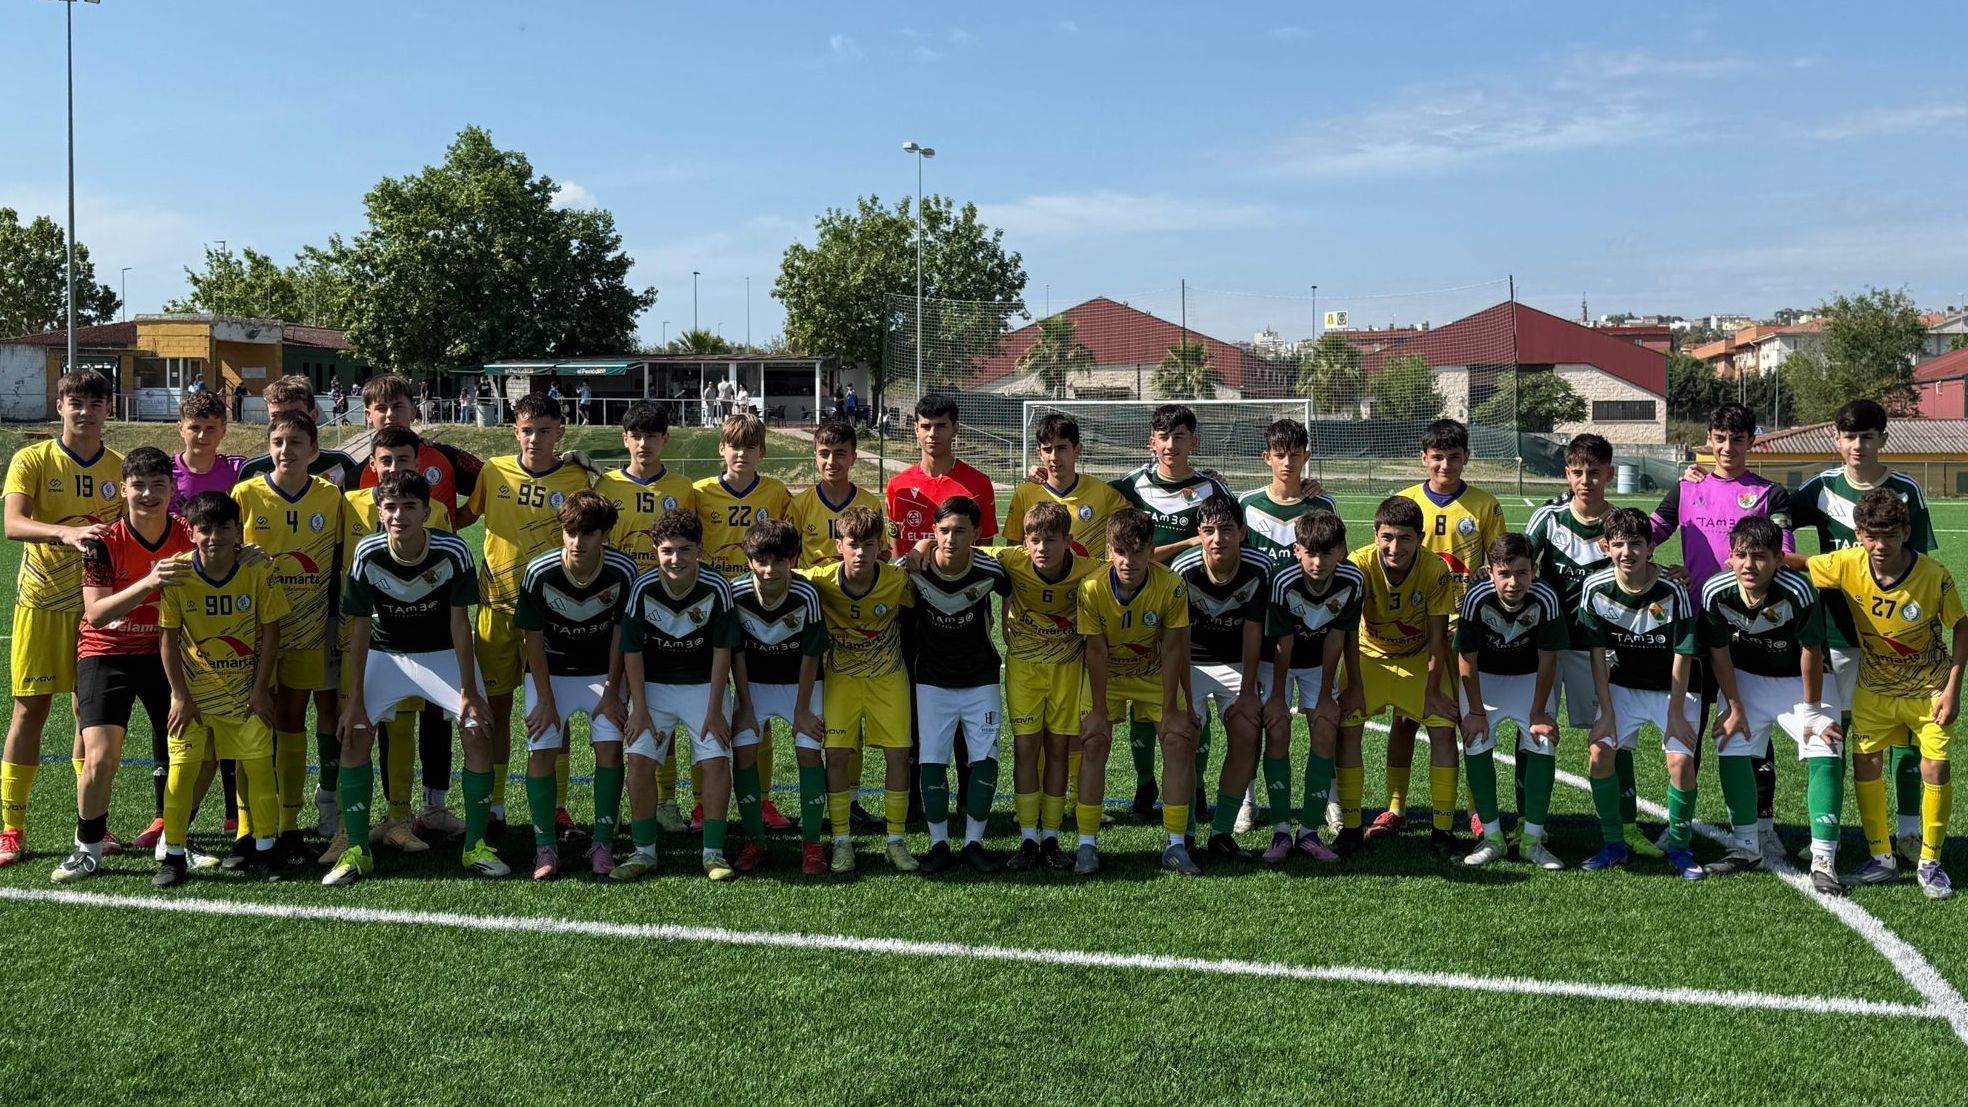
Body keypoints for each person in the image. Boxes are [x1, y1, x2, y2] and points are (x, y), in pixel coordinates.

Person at [325, 471, 497, 885]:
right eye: (390, 507)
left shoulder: (453, 551)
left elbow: (461, 624)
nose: (399, 515)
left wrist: (469, 692)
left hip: (441, 653)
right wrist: (354, 700)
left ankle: (476, 846)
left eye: (409, 506)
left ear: (426, 511)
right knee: (354, 734)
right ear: (379, 512)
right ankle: (357, 850)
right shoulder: (367, 553)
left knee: (476, 730)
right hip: (388, 654)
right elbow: (361, 628)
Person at [1786, 398, 1938, 864]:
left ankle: (1908, 832)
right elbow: (1775, 522)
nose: (1857, 446)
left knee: (1908, 735)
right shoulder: (1821, 488)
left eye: (1867, 437)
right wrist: (1810, 566)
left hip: (1899, 640)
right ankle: (1842, 837)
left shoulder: (1906, 490)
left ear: (1882, 440)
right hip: (1838, 634)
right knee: (1844, 733)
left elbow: (1925, 565)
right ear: (1837, 439)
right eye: (1849, 437)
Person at [1797, 489, 1964, 899]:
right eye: (1871, 535)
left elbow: (1962, 626)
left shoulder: (1934, 575)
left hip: (1928, 691)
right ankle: (1882, 858)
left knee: (1934, 769)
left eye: (1889, 535)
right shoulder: (1847, 562)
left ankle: (1930, 861)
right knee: (1866, 764)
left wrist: (1954, 688)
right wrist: (1746, 558)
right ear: (1859, 534)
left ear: (1905, 532)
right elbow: (1802, 563)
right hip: (1873, 689)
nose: (1880, 545)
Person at [1652, 401, 1794, 864]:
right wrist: (1650, 567)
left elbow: (1786, 555)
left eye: (1738, 439)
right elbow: (1647, 533)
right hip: (1694, 626)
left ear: (1752, 441)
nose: (1728, 447)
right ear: (1707, 440)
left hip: (1749, 627)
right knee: (1688, 726)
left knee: (1750, 725)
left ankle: (1763, 827)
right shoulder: (1686, 488)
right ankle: (1677, 826)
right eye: (1720, 438)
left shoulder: (1771, 493)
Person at [1, 369, 123, 867]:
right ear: (60, 405)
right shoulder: (32, 458)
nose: (85, 410)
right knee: (30, 711)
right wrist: (65, 534)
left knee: (87, 714)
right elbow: (11, 523)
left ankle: (90, 823)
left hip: (94, 608)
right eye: (76, 400)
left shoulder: (119, 465)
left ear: (108, 410)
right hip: (42, 604)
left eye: (95, 402)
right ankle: (10, 825)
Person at [61, 448, 198, 879]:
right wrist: (152, 580)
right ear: (123, 489)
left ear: (173, 489)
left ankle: (174, 840)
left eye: (159, 485)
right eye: (139, 485)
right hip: (106, 652)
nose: (149, 494)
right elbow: (97, 613)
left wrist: (248, 555)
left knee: (186, 748)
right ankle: (88, 846)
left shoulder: (189, 533)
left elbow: (224, 561)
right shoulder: (101, 543)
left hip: (166, 653)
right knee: (101, 755)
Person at [465, 392, 594, 841]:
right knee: (495, 711)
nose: (534, 439)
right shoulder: (493, 470)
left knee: (551, 710)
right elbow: (461, 515)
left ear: (560, 431)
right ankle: (496, 805)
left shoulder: (580, 476)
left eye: (543, 431)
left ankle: (557, 807)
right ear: (514, 431)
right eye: (526, 430)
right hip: (496, 610)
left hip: (556, 614)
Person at [326, 425, 456, 865]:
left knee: (401, 729)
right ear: (371, 465)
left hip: (408, 641)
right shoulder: (345, 505)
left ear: (416, 465)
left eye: (402, 461)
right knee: (354, 728)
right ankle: (348, 828)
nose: (394, 468)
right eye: (385, 461)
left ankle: (399, 819)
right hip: (359, 634)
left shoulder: (433, 510)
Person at [1376, 419, 1505, 847]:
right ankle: (1396, 806)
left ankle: (1474, 809)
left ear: (1466, 458)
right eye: (1437, 457)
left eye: (1454, 456)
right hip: (1414, 630)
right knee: (1405, 719)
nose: (1445, 464)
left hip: (1465, 629)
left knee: (1461, 718)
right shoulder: (1406, 501)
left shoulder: (1484, 505)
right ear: (1423, 459)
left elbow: (1499, 563)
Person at [1105, 404, 1234, 819]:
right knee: (1146, 709)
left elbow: (1235, 541)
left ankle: (1195, 790)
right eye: (1164, 437)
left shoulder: (1213, 491)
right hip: (1139, 615)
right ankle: (1146, 787)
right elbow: (1081, 498)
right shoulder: (1128, 489)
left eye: (1180, 437)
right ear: (1151, 442)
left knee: (1191, 705)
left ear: (1193, 443)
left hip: (1195, 617)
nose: (1171, 445)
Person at [1698, 517, 1839, 893]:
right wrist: (1734, 705)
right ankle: (1746, 846)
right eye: (1741, 555)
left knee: (1826, 745)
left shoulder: (1798, 590)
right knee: (1728, 740)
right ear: (1730, 557)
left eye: (1759, 556)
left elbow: (1811, 651)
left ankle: (1824, 857)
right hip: (1746, 678)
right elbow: (1719, 651)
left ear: (1779, 558)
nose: (1749, 565)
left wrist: (1811, 711)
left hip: (1799, 681)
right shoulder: (1715, 591)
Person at [154, 492, 288, 886]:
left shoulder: (257, 571)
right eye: (205, 530)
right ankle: (174, 855)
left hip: (245, 695)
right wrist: (179, 694)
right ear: (191, 533)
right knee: (180, 776)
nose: (214, 537)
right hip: (193, 699)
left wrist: (261, 689)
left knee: (261, 772)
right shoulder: (179, 574)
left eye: (224, 528)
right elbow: (168, 638)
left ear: (238, 530)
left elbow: (271, 633)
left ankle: (266, 850)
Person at [232, 411, 345, 867]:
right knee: (253, 727)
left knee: (293, 722)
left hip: (307, 629)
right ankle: (246, 828)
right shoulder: (245, 493)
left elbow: (339, 557)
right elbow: (217, 552)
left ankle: (290, 824)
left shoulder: (331, 497)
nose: (286, 449)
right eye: (278, 441)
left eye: (296, 442)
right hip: (253, 632)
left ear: (314, 450)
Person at [515, 491, 638, 880]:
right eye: (570, 531)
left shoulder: (623, 570)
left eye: (587, 533)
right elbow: (532, 638)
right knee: (542, 750)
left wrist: (613, 689)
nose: (576, 541)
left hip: (602, 673)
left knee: (609, 748)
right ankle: (545, 846)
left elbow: (622, 633)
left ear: (605, 534)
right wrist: (546, 700)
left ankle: (602, 842)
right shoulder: (540, 571)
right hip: (549, 673)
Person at [1575, 507, 1703, 877]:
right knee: (1600, 754)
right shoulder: (1594, 588)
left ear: (1650, 547)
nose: (1627, 552)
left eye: (1636, 544)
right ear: (1605, 547)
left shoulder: (1671, 588)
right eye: (1618, 545)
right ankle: (1613, 843)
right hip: (1623, 687)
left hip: (1673, 688)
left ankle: (1680, 848)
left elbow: (1683, 652)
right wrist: (1606, 709)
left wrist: (1676, 713)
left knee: (1680, 763)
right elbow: (1596, 653)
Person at [616, 509, 741, 882]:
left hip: (703, 686)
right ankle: (643, 851)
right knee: (638, 760)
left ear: (700, 550)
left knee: (716, 761)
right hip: (653, 686)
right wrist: (638, 708)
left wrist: (717, 708)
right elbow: (632, 651)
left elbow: (723, 651)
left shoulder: (716, 587)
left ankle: (713, 853)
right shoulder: (643, 587)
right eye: (667, 550)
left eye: (685, 550)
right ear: (655, 550)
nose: (676, 559)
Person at [1334, 496, 1459, 859]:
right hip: (1368, 657)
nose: (1394, 546)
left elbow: (1438, 638)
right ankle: (1352, 827)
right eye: (1387, 536)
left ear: (1419, 538)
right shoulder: (1357, 565)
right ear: (1375, 534)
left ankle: (1443, 829)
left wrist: (1434, 690)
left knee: (1442, 727)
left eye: (1404, 538)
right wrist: (1354, 687)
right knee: (1348, 726)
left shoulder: (1435, 569)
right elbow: (1345, 632)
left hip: (1419, 657)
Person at [593, 401, 698, 832]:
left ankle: (667, 799)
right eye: (636, 436)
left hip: (667, 610)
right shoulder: (605, 485)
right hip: (615, 609)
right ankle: (622, 804)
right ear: (625, 440)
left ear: (665, 440)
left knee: (661, 705)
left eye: (652, 436)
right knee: (617, 705)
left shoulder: (684, 488)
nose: (643, 444)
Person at [1075, 509, 1197, 876]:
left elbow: (1175, 647)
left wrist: (1177, 707)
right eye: (1120, 551)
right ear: (1109, 550)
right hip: (1106, 678)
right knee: (1094, 741)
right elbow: (1095, 651)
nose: (1129, 561)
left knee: (1177, 740)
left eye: (1138, 551)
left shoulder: (1171, 585)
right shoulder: (1092, 587)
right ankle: (1086, 844)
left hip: (1154, 675)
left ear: (1151, 549)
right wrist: (1098, 709)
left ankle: (1176, 844)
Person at [1524, 434, 1630, 851]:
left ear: (1609, 473)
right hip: (1549, 646)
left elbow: (1639, 571)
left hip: (1599, 650)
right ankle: (1531, 825)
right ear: (1567, 474)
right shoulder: (1548, 519)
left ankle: (1626, 825)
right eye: (1577, 472)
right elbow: (1518, 564)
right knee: (1537, 734)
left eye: (1594, 472)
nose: (1586, 480)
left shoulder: (1621, 523)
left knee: (1612, 738)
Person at [1231, 416, 1335, 830]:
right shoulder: (1247, 503)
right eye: (1280, 455)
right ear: (1266, 458)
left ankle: (1328, 800)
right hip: (1260, 637)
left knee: (1321, 720)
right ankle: (1246, 800)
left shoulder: (1322, 505)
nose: (1288, 463)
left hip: (1312, 634)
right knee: (1254, 720)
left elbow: (1334, 562)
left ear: (1306, 457)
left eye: (1295, 455)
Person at [694, 412, 796, 830]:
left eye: (750, 447)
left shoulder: (775, 493)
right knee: (707, 704)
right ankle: (702, 802)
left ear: (762, 452)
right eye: (734, 446)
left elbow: (790, 545)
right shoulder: (698, 492)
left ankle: (763, 799)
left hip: (759, 609)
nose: (741, 453)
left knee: (758, 707)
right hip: (711, 610)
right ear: (721, 449)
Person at [904, 496, 1009, 874]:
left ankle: (974, 843)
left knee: (985, 759)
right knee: (932, 759)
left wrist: (1009, 622)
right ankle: (938, 845)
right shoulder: (913, 569)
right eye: (944, 531)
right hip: (931, 680)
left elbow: (1013, 587)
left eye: (961, 531)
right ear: (933, 533)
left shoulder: (991, 570)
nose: (951, 539)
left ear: (977, 534)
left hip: (981, 678)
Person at [997, 503, 1104, 870]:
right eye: (1035, 540)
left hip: (1066, 670)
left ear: (1069, 542)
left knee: (1058, 749)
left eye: (1051, 540)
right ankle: (1028, 837)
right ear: (1024, 542)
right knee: (1026, 749)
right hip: (1024, 670)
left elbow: (1129, 568)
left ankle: (1052, 837)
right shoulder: (1011, 560)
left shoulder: (1089, 571)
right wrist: (921, 548)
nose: (1042, 548)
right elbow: (964, 551)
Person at [812, 505, 917, 874]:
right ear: (838, 544)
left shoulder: (897, 581)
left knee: (897, 756)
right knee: (837, 757)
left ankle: (896, 840)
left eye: (869, 545)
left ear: (880, 547)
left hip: (888, 678)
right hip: (841, 680)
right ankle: (842, 842)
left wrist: (922, 550)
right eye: (853, 544)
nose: (861, 553)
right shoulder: (819, 580)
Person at [1170, 494, 1273, 862]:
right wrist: (1183, 697)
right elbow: (1177, 637)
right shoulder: (1184, 569)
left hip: (1238, 662)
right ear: (1199, 533)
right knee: (1182, 737)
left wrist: (1248, 693)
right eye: (1209, 531)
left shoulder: (1260, 568)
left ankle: (1223, 832)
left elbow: (1253, 630)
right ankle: (1185, 833)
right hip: (1191, 662)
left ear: (1242, 533)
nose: (1218, 539)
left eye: (1227, 530)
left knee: (1247, 731)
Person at [1453, 534, 1566, 869]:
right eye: (1504, 573)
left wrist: (1538, 710)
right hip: (1484, 680)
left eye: (1521, 572)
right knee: (1476, 740)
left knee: (1542, 739)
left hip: (1530, 678)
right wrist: (1474, 711)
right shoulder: (1476, 597)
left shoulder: (1546, 598)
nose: (1513, 582)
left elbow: (1549, 659)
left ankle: (1532, 839)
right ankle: (1492, 838)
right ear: (1490, 572)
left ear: (1534, 570)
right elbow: (1466, 657)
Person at [1259, 510, 1363, 863]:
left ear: (1341, 551)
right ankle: (1280, 832)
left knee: (1324, 728)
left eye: (1327, 552)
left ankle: (1308, 832)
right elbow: (1281, 644)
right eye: (1310, 552)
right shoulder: (1283, 581)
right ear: (1296, 550)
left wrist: (1324, 698)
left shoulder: (1352, 580)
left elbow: (1337, 638)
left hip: (1318, 663)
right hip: (1276, 663)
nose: (1318, 562)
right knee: (1277, 731)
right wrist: (1275, 698)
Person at [729, 519, 831, 874]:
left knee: (807, 753)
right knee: (742, 752)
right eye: (761, 561)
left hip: (801, 684)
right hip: (752, 684)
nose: (770, 570)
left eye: (779, 561)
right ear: (749, 559)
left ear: (793, 559)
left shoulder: (806, 594)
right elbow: (735, 652)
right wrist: (744, 705)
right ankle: (755, 841)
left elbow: (811, 653)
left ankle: (813, 843)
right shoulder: (735, 593)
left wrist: (802, 710)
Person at [1003, 412, 1127, 560]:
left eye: (1062, 448)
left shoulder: (1103, 493)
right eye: (1047, 450)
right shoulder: (1025, 493)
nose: (1054, 457)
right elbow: (1012, 548)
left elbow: (1133, 532)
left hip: (1087, 581)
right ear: (1039, 453)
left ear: (1077, 450)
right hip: (1038, 582)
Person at [241, 376, 359, 487]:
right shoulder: (253, 470)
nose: (285, 423)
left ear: (313, 416)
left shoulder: (341, 464)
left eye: (294, 415)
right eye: (276, 416)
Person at [171, 390, 246, 519]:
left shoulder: (239, 469)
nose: (202, 435)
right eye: (195, 428)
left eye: (210, 428)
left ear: (223, 430)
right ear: (181, 429)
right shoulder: (164, 471)